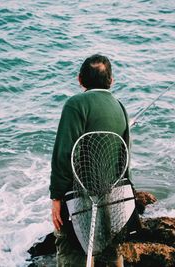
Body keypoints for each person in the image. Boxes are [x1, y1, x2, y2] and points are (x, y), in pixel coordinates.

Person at [49, 54, 131, 267]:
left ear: (80, 80)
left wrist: (56, 198)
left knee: (73, 253)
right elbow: (125, 159)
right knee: (112, 254)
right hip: (113, 196)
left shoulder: (75, 104)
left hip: (79, 199)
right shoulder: (119, 106)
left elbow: (64, 155)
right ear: (111, 81)